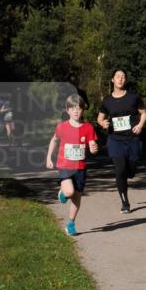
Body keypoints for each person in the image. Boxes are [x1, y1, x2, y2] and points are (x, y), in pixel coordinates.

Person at [46, 94, 98, 236]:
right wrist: (49, 157)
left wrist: (94, 148)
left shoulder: (88, 128)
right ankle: (63, 192)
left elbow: (92, 145)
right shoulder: (62, 127)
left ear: (83, 110)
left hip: (80, 168)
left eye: (79, 108)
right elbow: (54, 140)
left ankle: (71, 223)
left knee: (77, 197)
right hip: (64, 166)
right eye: (73, 108)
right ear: (67, 110)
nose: (76, 111)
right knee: (70, 192)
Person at [97, 69, 146, 213]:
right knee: (120, 170)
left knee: (130, 171)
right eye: (118, 77)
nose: (120, 79)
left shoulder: (133, 98)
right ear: (112, 80)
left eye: (123, 77)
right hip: (115, 140)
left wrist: (140, 125)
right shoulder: (107, 101)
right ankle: (125, 202)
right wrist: (103, 123)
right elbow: (100, 118)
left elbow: (144, 113)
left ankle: (130, 172)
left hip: (132, 139)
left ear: (125, 80)